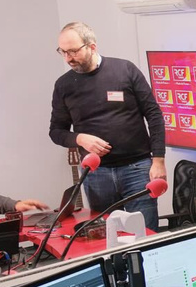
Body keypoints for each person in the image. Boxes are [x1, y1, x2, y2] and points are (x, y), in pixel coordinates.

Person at [49, 22, 165, 232]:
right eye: (63, 52)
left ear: (92, 46)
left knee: (145, 234)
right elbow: (56, 131)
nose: (68, 58)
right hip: (96, 174)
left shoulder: (124, 69)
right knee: (108, 239)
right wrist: (80, 138)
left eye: (73, 51)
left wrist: (158, 160)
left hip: (137, 168)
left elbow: (154, 114)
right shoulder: (63, 85)